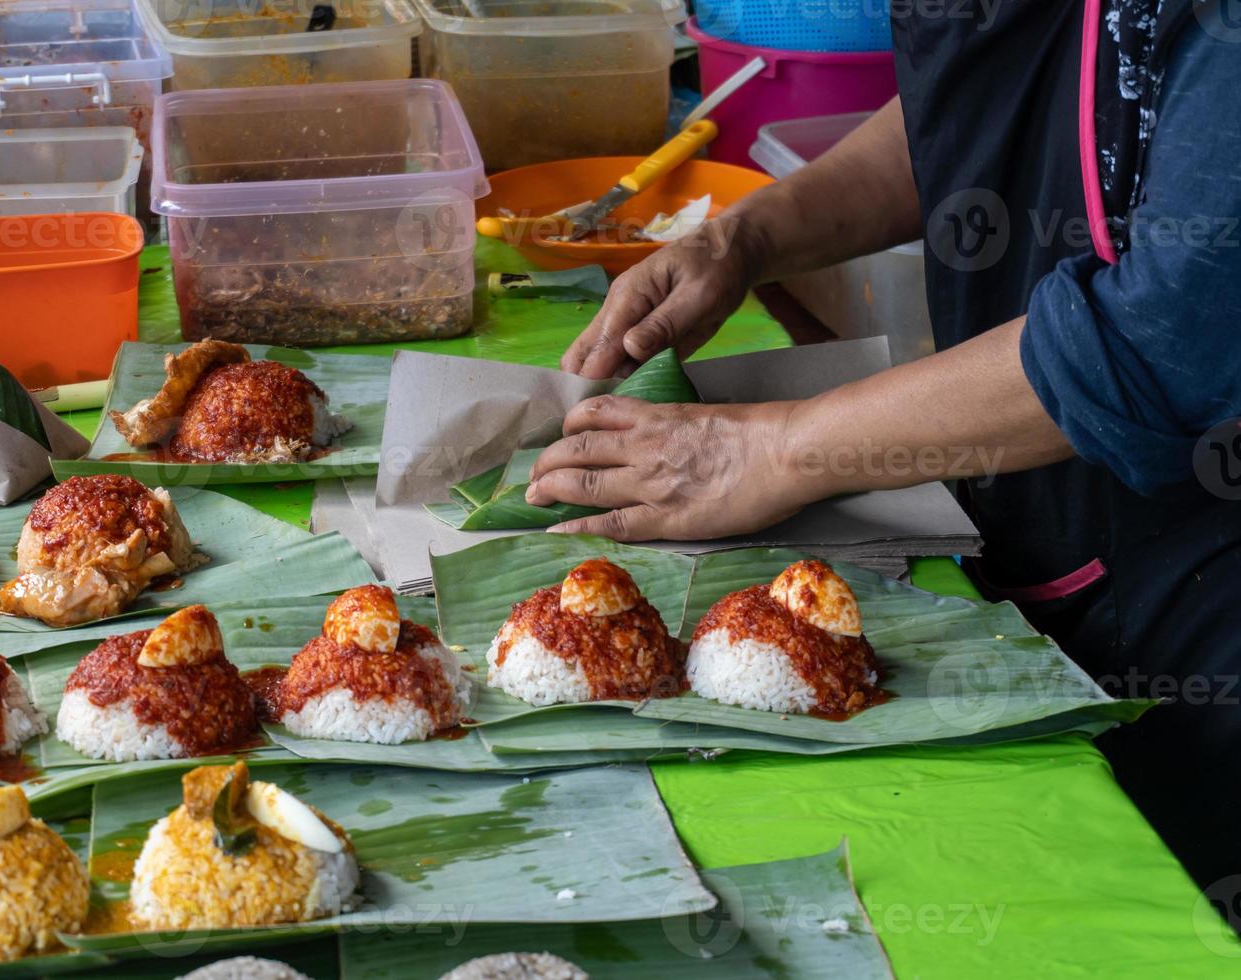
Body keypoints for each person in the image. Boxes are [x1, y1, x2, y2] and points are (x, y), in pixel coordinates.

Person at [529, 0, 1241, 892]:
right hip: (1055, 529)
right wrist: (744, 238)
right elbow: (980, 115)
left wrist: (776, 450)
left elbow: (1169, 335)